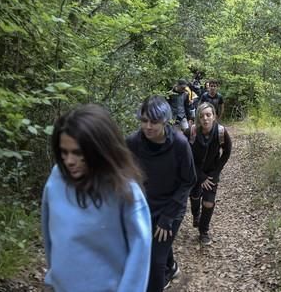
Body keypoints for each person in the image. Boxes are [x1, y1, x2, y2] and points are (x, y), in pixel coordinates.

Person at [41, 104, 152, 292]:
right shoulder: (57, 178)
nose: (69, 161)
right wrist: (53, 277)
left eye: (77, 153)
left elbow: (140, 253)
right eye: (64, 152)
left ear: (99, 149)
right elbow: (50, 231)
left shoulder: (124, 190)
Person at [126, 95, 197, 291]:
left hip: (171, 206)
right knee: (154, 246)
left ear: (164, 121)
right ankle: (172, 266)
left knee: (154, 261)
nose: (148, 126)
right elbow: (122, 172)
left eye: (154, 122)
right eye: (144, 121)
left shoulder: (180, 145)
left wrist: (168, 217)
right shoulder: (133, 142)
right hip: (144, 206)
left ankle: (163, 272)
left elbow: (189, 180)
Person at [188, 102, 232, 245]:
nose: (205, 119)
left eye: (208, 115)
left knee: (208, 202)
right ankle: (196, 215)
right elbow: (185, 156)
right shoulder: (191, 132)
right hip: (194, 172)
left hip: (212, 172)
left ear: (214, 116)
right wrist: (201, 177)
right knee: (195, 196)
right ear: (198, 119)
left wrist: (215, 172)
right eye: (202, 116)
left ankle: (203, 231)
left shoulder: (221, 132)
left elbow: (226, 152)